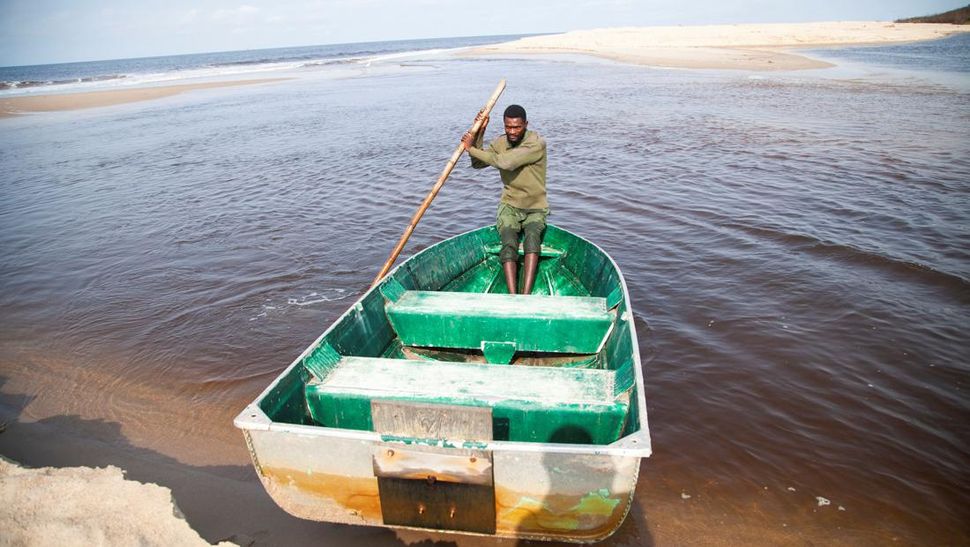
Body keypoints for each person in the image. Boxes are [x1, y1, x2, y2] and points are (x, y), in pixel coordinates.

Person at [460, 104, 548, 295]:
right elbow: (478, 163)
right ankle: (512, 295)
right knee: (509, 242)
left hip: (535, 206)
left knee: (532, 240)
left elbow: (506, 163)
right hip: (510, 204)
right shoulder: (501, 143)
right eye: (508, 127)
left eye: (517, 127)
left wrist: (470, 148)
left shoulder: (536, 143)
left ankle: (526, 295)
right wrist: (479, 133)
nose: (512, 131)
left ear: (526, 124)